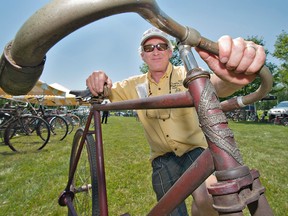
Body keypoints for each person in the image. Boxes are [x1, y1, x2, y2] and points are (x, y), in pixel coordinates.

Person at [86, 27, 266, 216]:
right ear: (142, 56)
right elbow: (107, 91)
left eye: (161, 46)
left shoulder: (185, 73)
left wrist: (235, 77)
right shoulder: (133, 84)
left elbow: (216, 86)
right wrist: (100, 80)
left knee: (209, 197)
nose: (155, 51)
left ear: (170, 52)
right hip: (161, 158)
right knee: (168, 211)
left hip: (194, 150)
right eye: (149, 48)